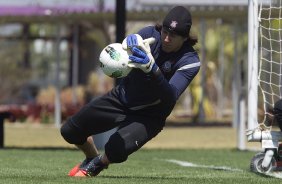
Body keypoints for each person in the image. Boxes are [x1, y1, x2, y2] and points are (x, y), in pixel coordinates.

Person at [60, 6, 201, 177]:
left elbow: (170, 97)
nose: (166, 38)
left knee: (116, 149)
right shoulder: (150, 33)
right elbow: (126, 46)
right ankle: (91, 157)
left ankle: (98, 165)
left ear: (185, 38)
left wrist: (152, 69)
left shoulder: (190, 61)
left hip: (149, 115)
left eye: (174, 35)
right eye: (165, 31)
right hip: (122, 97)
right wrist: (129, 41)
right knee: (70, 131)